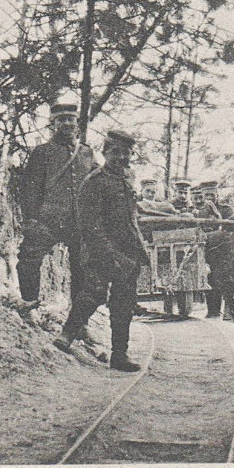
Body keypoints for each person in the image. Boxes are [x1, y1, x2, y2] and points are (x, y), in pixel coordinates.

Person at [53, 130, 149, 372]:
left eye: (126, 153)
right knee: (93, 292)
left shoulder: (128, 177)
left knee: (123, 304)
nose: (121, 157)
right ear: (105, 153)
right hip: (101, 248)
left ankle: (120, 355)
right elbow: (89, 224)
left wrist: (139, 248)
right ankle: (67, 334)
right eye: (115, 152)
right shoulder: (95, 181)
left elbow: (131, 216)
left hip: (128, 251)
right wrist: (106, 253)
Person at [16, 101, 94, 312]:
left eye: (71, 119)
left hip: (77, 221)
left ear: (77, 123)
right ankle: (29, 304)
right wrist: (30, 219)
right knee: (28, 258)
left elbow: (95, 185)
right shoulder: (42, 153)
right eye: (61, 120)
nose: (67, 124)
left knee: (82, 268)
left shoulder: (86, 153)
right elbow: (29, 188)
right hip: (47, 219)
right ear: (52, 124)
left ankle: (77, 317)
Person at [198, 180, 234, 322]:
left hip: (224, 251)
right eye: (206, 195)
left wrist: (217, 215)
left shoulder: (226, 209)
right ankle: (213, 311)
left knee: (226, 281)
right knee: (210, 280)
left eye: (212, 195)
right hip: (207, 250)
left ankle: (232, 313)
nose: (209, 198)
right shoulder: (200, 211)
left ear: (217, 195)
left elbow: (233, 230)